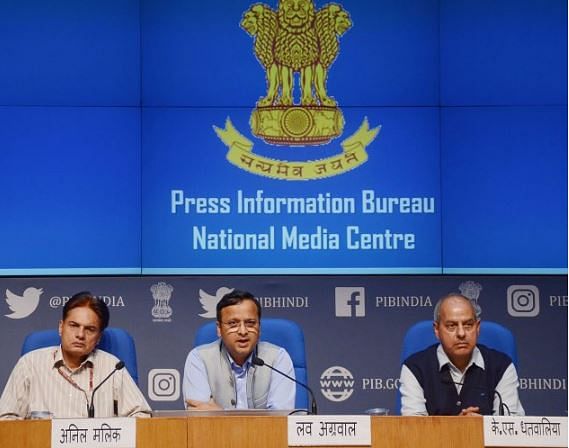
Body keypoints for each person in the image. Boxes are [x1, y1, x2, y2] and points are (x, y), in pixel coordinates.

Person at [0, 291, 151, 419]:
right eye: (74, 325)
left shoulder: (112, 368)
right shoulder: (30, 364)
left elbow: (141, 416)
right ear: (61, 327)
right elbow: (6, 418)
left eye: (90, 329)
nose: (80, 334)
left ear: (98, 338)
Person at [399, 293, 524, 416]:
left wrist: (480, 427)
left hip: (486, 438)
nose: (461, 333)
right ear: (436, 330)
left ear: (478, 327)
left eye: (468, 325)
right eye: (451, 326)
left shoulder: (501, 366)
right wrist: (460, 429)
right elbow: (413, 429)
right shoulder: (415, 368)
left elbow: (511, 427)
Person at [183, 290, 296, 410]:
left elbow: (281, 420)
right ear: (219, 329)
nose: (243, 331)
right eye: (233, 324)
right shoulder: (199, 358)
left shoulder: (278, 358)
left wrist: (220, 416)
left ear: (259, 327)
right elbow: (199, 419)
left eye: (250, 323)